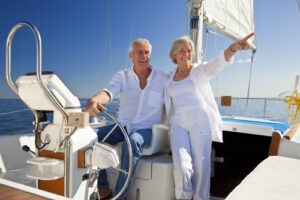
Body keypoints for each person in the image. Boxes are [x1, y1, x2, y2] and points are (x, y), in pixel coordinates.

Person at [164, 33, 254, 200]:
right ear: (174, 54)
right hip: (178, 123)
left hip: (200, 121)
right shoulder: (168, 77)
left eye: (189, 50)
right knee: (182, 166)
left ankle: (200, 197)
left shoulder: (198, 70)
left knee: (201, 165)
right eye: (182, 51)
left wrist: (234, 47)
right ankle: (183, 196)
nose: (186, 54)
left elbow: (218, 63)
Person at [86, 38, 167, 200]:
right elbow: (109, 93)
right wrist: (95, 100)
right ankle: (102, 187)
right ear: (131, 56)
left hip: (149, 129)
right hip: (122, 126)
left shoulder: (163, 78)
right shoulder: (122, 76)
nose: (144, 56)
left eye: (147, 52)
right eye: (140, 52)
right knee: (94, 137)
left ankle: (119, 196)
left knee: (133, 141)